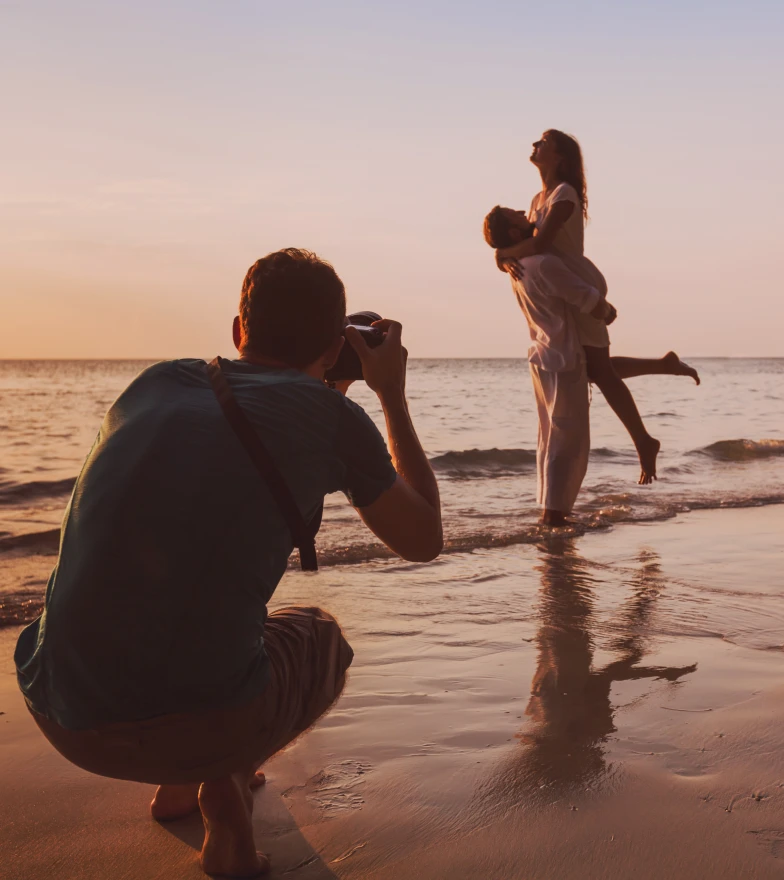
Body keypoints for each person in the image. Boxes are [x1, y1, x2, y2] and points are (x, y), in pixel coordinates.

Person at [14, 248, 442, 878]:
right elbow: (424, 538)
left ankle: (179, 787)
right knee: (321, 637)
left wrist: (326, 383)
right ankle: (226, 799)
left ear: (239, 330)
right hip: (203, 727)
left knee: (183, 598)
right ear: (331, 349)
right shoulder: (333, 419)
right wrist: (391, 396)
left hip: (63, 712)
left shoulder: (156, 384)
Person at [493, 130, 700, 485]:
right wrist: (502, 257)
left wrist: (503, 254)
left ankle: (644, 441)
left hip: (580, 285)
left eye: (543, 142)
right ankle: (663, 367)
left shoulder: (564, 194)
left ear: (560, 157)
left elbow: (539, 242)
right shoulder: (535, 199)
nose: (534, 145)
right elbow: (525, 242)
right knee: (590, 368)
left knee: (599, 371)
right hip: (561, 290)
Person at [484, 206, 615, 525]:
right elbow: (585, 296)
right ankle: (553, 516)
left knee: (550, 436)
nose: (522, 211)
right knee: (567, 440)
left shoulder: (519, 266)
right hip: (562, 356)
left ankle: (551, 511)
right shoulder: (542, 264)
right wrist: (607, 310)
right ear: (515, 233)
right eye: (516, 215)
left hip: (541, 356)